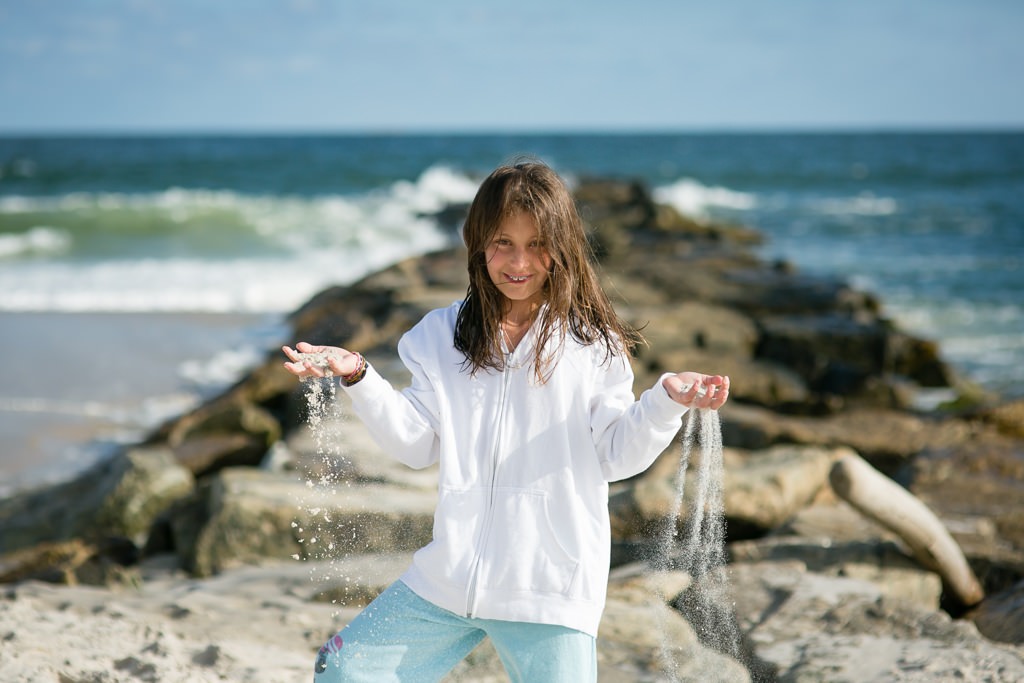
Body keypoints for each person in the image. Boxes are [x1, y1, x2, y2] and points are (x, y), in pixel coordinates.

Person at [282, 160, 730, 682]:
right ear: (477, 244)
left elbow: (614, 455)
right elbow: (415, 444)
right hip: (450, 579)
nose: (519, 262)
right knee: (344, 668)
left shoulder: (591, 344)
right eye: (502, 243)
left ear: (561, 246)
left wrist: (664, 402)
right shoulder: (440, 334)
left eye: (537, 244)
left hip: (548, 587)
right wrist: (358, 375)